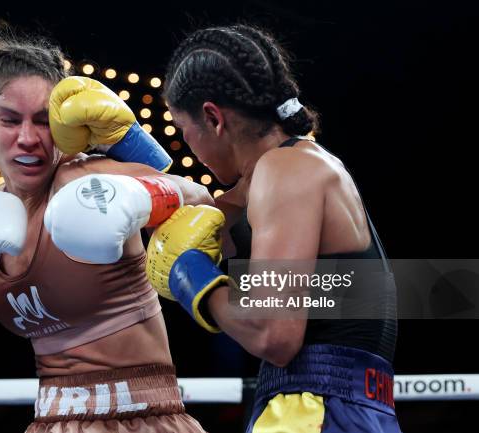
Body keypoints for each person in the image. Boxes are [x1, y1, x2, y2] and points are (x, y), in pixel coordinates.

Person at [0, 27, 210, 433]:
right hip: (51, 422)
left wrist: (137, 195)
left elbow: (200, 196)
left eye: (42, 120)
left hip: (143, 418)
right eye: (9, 120)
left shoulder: (86, 181)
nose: (28, 138)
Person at [146, 24, 402, 432]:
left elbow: (274, 336)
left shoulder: (286, 170)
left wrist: (193, 278)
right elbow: (198, 208)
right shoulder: (283, 173)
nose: (187, 144)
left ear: (212, 118)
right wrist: (124, 146)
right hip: (327, 404)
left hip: (314, 407)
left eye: (182, 130)